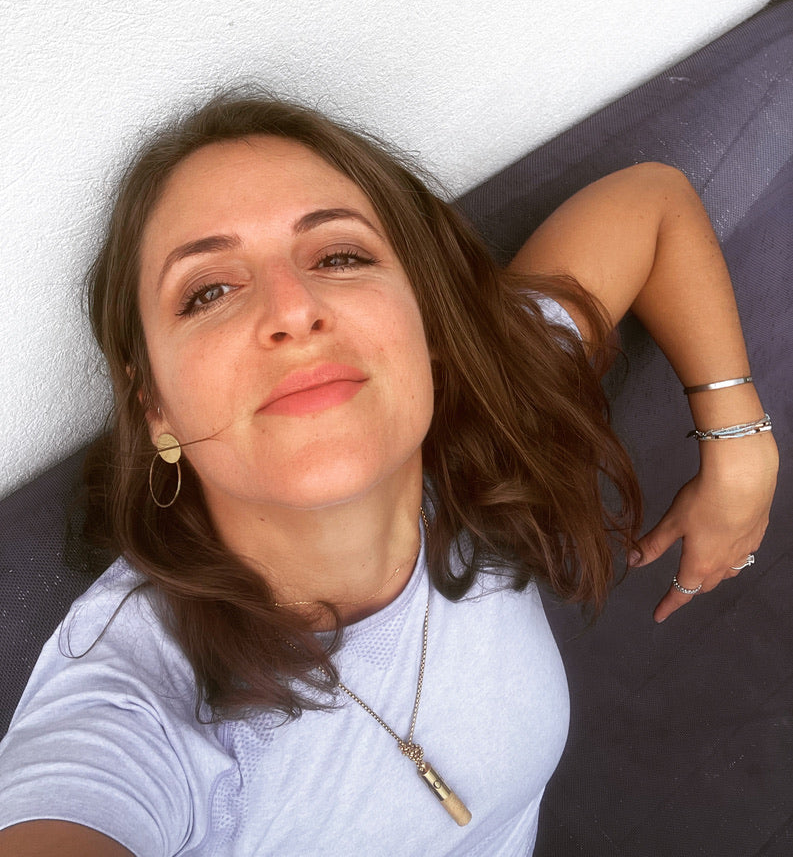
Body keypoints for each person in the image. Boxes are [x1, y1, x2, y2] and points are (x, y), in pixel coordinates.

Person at [0, 90, 778, 856]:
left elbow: (651, 202)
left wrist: (739, 445)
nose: (293, 308)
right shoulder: (130, 708)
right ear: (154, 409)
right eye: (208, 291)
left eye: (339, 256)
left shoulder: (478, 434)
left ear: (427, 326)